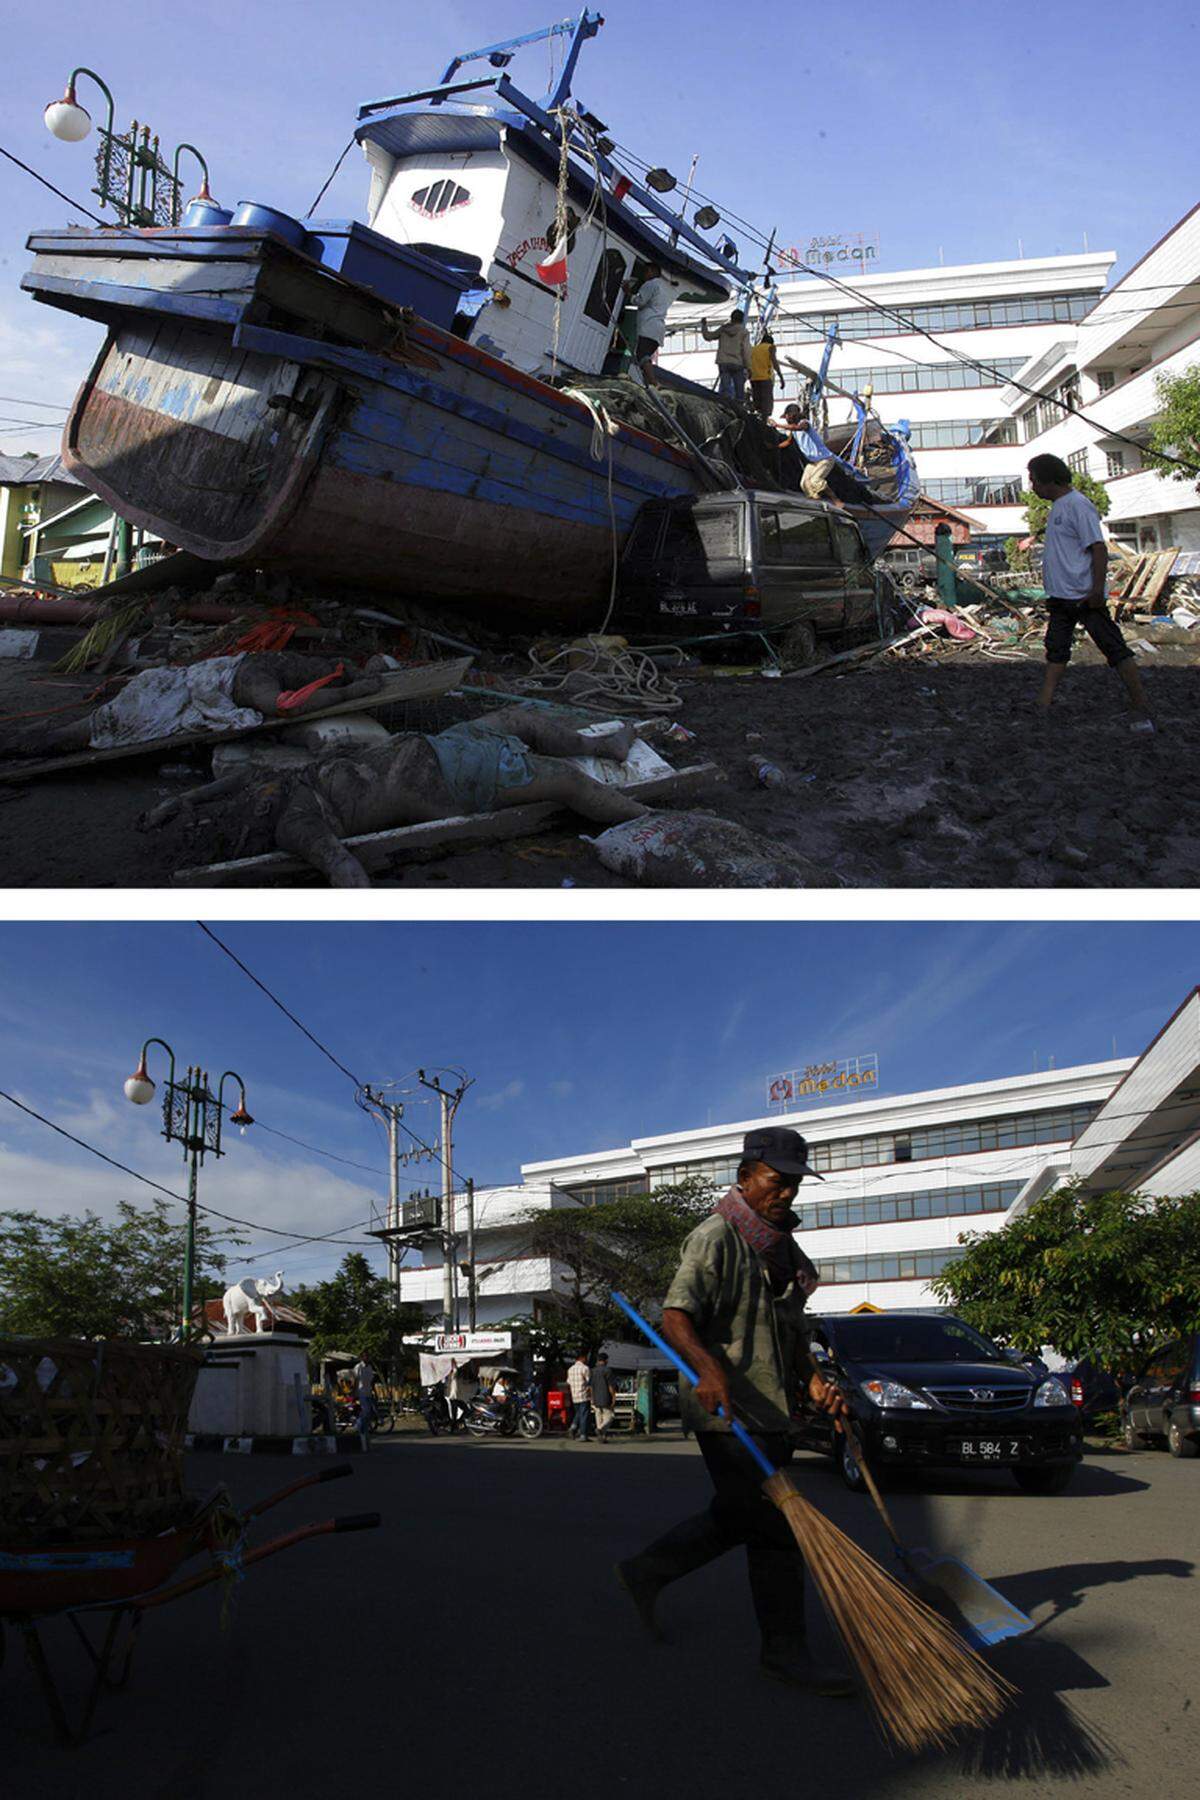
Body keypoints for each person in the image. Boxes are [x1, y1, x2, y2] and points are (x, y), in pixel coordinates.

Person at [614, 1127, 855, 1696]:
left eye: (795, 1184)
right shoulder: (715, 1237)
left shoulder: (784, 1251)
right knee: (776, 1528)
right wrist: (709, 1368)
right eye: (777, 1181)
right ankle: (784, 1652)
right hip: (726, 1410)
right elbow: (676, 1317)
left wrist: (814, 1380)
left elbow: (792, 1333)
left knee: (737, 1514)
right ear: (746, 1177)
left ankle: (646, 1571)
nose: (787, 1193)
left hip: (772, 1410)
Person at [138, 706, 649, 887]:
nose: (256, 793)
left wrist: (177, 803)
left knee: (519, 721)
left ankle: (601, 745)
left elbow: (236, 780)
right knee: (567, 782)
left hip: (436, 746)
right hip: (446, 779)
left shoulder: (275, 788)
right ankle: (651, 818)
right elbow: (342, 867)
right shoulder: (297, 825)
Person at [5, 651, 386, 756]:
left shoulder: (272, 666)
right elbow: (287, 705)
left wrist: (354, 685)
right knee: (95, 728)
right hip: (167, 695)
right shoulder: (256, 678)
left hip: (167, 685)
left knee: (89, 727)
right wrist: (353, 693)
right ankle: (21, 742)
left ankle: (26, 739)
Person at [1027, 453, 1154, 731]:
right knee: (1056, 650)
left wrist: (1097, 590)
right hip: (1061, 596)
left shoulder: (1078, 505)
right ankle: (1043, 703)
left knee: (1114, 648)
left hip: (1083, 596)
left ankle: (1140, 702)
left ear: (1049, 480)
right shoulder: (1058, 507)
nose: (1032, 486)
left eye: (1034, 480)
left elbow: (1098, 548)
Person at [623, 261, 675, 385]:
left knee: (642, 355)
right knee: (644, 358)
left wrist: (628, 293)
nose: (644, 275)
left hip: (648, 326)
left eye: (645, 272)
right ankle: (648, 384)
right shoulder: (664, 288)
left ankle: (653, 382)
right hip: (658, 330)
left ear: (651, 271)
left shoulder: (651, 284)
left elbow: (640, 301)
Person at [701, 310, 753, 405]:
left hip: (723, 362)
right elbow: (746, 350)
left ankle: (726, 405)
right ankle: (739, 406)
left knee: (725, 389)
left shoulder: (723, 329)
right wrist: (749, 367)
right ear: (742, 320)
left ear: (731, 318)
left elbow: (708, 336)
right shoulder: (744, 332)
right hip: (737, 363)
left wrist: (704, 326)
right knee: (739, 389)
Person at [748, 332, 782, 419]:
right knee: (766, 403)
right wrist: (781, 377)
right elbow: (774, 362)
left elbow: (748, 363)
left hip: (753, 378)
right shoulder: (771, 347)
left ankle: (756, 418)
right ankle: (764, 421)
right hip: (765, 378)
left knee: (757, 401)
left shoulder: (753, 349)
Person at [567, 1351, 593, 1441]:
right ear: (582, 1358)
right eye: (585, 1358)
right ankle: (583, 1434)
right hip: (584, 1395)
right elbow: (589, 1381)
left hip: (574, 1395)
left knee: (578, 1413)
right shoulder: (585, 1368)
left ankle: (573, 1427)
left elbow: (568, 1382)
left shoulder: (570, 1369)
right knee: (584, 1415)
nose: (586, 1359)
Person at [591, 1351, 616, 1442]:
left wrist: (592, 1398)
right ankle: (600, 1429)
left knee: (599, 1417)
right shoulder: (608, 1371)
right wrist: (613, 1397)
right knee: (610, 1416)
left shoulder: (593, 1371)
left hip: (596, 1398)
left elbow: (591, 1386)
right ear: (606, 1360)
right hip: (605, 1397)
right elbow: (610, 1386)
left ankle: (602, 1437)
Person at [351, 1351, 376, 1440]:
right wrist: (354, 1392)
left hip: (368, 1392)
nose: (367, 1358)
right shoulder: (358, 1367)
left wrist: (374, 1391)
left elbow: (371, 1381)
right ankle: (358, 1427)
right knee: (365, 1411)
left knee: (368, 1413)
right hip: (361, 1392)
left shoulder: (369, 1367)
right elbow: (355, 1380)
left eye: (368, 1356)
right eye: (365, 1356)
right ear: (362, 1358)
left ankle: (364, 1431)